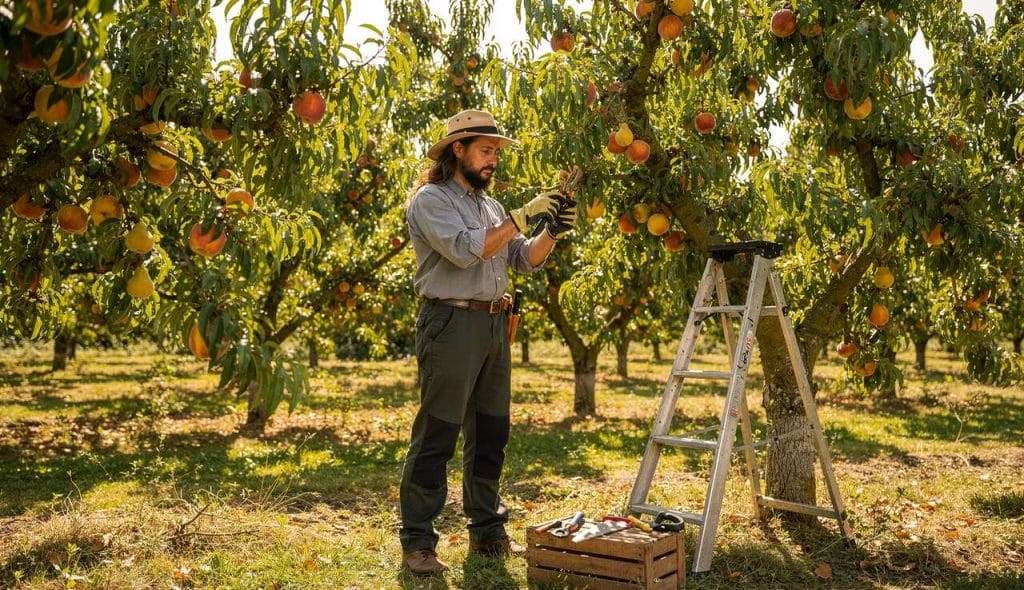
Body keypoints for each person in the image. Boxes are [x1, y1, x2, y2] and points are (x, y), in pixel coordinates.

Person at [399, 109, 576, 577]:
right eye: (485, 150)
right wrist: (522, 216)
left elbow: (524, 259)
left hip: (495, 323)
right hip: (451, 323)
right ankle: (418, 540)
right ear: (457, 150)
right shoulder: (431, 200)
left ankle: (487, 529)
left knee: (492, 432)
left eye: (496, 151)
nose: (493, 159)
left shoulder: (491, 207)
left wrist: (552, 230)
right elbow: (465, 250)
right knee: (438, 432)